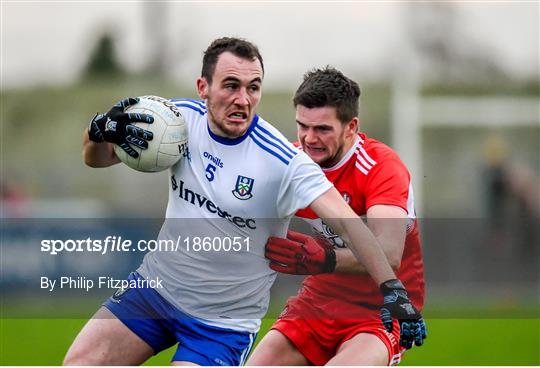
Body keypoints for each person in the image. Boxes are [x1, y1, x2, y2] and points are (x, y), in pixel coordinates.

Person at [64, 38, 423, 366]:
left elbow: (350, 224)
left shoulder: (285, 162)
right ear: (203, 87)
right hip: (153, 293)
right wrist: (98, 131)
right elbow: (97, 157)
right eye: (232, 86)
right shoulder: (174, 123)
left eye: (253, 88)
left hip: (221, 326)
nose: (243, 99)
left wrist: (391, 289)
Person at [247, 67, 426, 366]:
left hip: (382, 306)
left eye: (322, 129)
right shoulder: (291, 165)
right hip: (319, 301)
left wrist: (325, 258)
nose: (308, 138)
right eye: (302, 126)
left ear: (351, 127)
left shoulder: (381, 167)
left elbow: (389, 254)